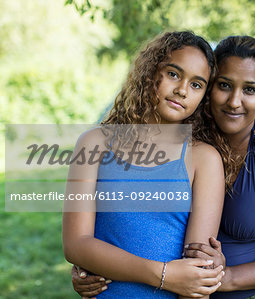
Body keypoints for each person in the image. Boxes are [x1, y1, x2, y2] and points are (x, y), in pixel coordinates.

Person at [72, 35, 255, 299]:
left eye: (249, 89)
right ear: (210, 89)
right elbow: (100, 232)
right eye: (224, 85)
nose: (234, 101)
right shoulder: (187, 138)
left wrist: (224, 279)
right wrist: (91, 262)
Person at [63, 31, 227, 298]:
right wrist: (163, 274)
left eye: (196, 85)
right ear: (150, 72)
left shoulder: (203, 159)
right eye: (173, 74)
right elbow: (76, 244)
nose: (182, 90)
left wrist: (171, 279)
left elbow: (197, 273)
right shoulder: (94, 144)